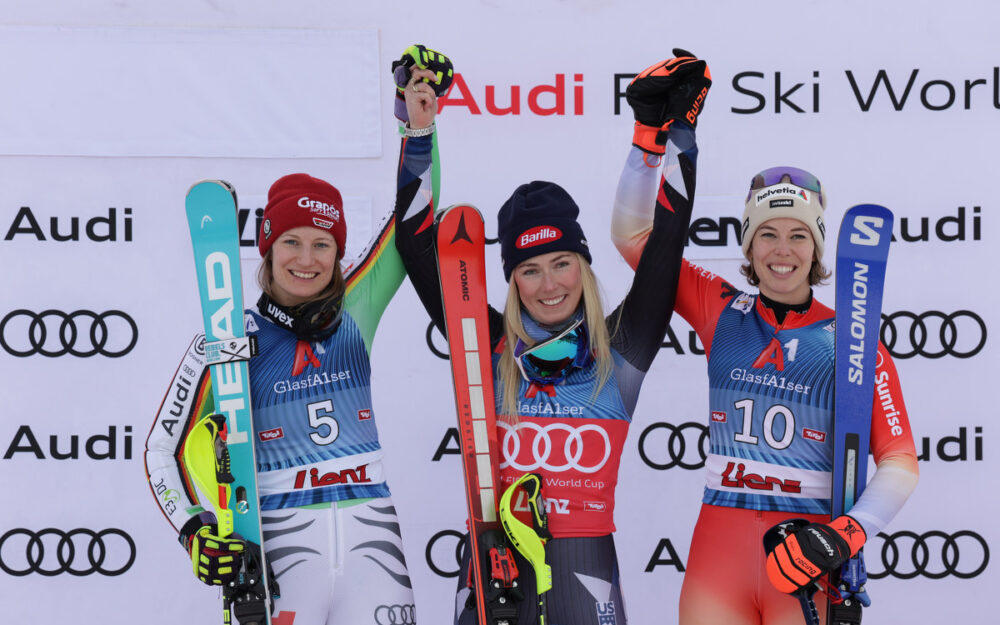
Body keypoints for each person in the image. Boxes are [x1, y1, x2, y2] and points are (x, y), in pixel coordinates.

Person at [392, 49, 708, 624]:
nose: (549, 285)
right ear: (511, 280)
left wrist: (672, 137)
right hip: (494, 567)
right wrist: (418, 132)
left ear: (584, 267)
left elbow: (665, 244)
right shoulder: (482, 341)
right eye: (529, 270)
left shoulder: (623, 348)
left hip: (586, 568)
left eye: (562, 263)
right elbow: (416, 244)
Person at [611, 68, 920, 623]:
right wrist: (647, 141)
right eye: (767, 234)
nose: (784, 249)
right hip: (717, 560)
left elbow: (900, 461)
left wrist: (847, 534)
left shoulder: (852, 339)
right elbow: (634, 239)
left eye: (799, 234)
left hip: (804, 564)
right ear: (749, 249)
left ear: (818, 247)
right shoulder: (721, 307)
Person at [145, 171, 419, 625]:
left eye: (322, 244)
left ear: (338, 253)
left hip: (374, 548)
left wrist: (417, 129)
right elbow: (163, 451)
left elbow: (410, 216)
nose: (306, 259)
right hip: (279, 552)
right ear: (268, 248)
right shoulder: (227, 337)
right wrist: (194, 531)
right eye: (292, 241)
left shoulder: (356, 310)